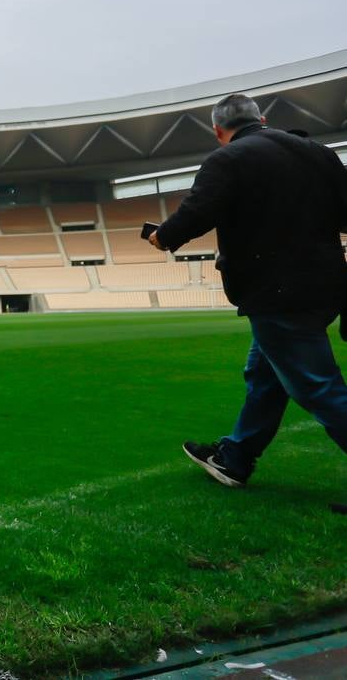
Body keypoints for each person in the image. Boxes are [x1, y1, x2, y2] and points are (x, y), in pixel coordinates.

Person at [147, 94, 347, 514]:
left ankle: (236, 458)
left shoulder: (229, 159)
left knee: (318, 388)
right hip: (327, 284)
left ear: (219, 132)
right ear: (263, 119)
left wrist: (163, 237)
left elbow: (198, 210)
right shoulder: (318, 154)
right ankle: (234, 459)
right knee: (264, 374)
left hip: (276, 292)